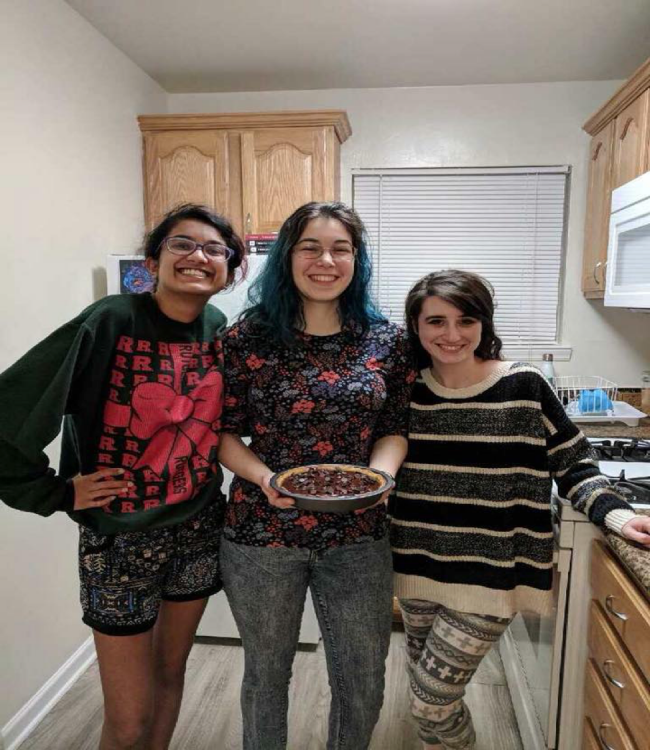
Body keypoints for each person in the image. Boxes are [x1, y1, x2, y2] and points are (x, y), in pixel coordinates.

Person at [0, 204, 246, 750]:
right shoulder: (110, 319)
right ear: (153, 259)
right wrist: (55, 491)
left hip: (199, 526)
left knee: (169, 676)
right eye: (182, 244)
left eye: (214, 249)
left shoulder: (218, 328)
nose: (198, 256)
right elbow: (8, 415)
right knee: (128, 717)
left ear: (229, 269)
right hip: (119, 539)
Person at [391, 269, 650, 750]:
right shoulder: (407, 390)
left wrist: (616, 514)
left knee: (430, 700)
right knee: (423, 685)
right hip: (416, 564)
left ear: (484, 325)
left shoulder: (523, 385)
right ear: (416, 326)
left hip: (492, 574)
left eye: (466, 321)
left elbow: (574, 464)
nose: (452, 335)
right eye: (436, 321)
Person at [217, 201, 415, 750]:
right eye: (310, 246)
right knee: (266, 674)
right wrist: (264, 478)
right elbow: (223, 433)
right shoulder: (246, 340)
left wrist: (379, 477)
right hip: (263, 534)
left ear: (357, 259)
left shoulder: (387, 341)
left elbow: (394, 426)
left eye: (340, 248)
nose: (325, 260)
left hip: (358, 535)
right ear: (288, 256)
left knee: (362, 678)